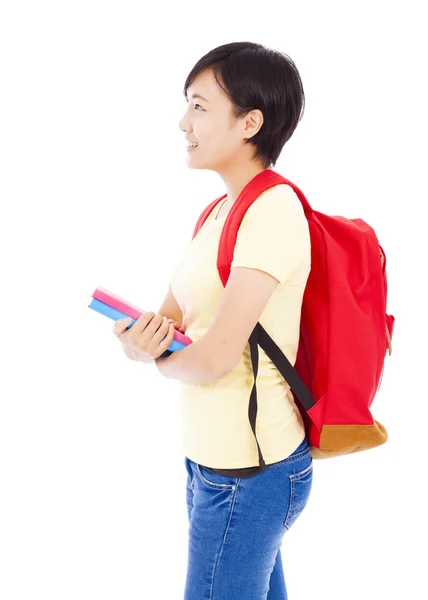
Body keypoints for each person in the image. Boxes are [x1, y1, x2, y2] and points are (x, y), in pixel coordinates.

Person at [114, 41, 313, 600]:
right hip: (210, 460)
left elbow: (211, 357)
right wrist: (139, 341)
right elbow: (171, 325)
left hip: (251, 472)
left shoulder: (273, 210)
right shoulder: (219, 210)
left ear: (251, 122)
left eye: (199, 106)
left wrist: (155, 356)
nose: (183, 122)